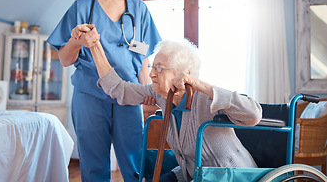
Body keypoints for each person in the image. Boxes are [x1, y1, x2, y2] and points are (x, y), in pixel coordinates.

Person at [47, 0, 161, 181]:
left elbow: (143, 59)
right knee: (94, 166)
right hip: (90, 95)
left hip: (128, 96)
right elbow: (65, 59)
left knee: (134, 165)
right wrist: (77, 41)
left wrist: (147, 92)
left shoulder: (139, 9)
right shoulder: (81, 7)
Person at [88, 35, 263, 182]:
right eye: (152, 67)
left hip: (231, 176)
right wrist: (95, 47)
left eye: (159, 68)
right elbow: (120, 90)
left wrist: (202, 85)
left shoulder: (207, 98)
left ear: (183, 73)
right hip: (192, 175)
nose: (151, 74)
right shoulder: (160, 95)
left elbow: (254, 114)